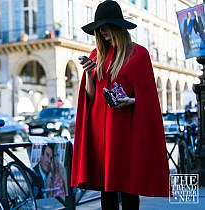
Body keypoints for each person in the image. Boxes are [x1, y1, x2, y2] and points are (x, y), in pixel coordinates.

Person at [71, 1, 169, 210]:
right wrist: (89, 73)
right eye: (99, 28)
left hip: (125, 132)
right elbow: (90, 97)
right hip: (100, 133)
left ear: (118, 26)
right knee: (107, 192)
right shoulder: (96, 55)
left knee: (128, 189)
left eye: (106, 26)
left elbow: (149, 99)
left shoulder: (139, 55)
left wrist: (131, 101)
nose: (102, 31)